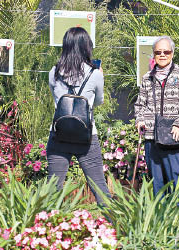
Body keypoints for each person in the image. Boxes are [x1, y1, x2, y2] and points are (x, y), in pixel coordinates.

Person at [46, 27, 110, 204]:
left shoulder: (54, 73)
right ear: (85, 47)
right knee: (99, 188)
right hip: (87, 137)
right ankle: (115, 228)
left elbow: (58, 102)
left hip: (59, 135)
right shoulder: (95, 74)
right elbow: (97, 102)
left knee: (51, 190)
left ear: (65, 46)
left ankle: (45, 230)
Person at [134, 36, 179, 205]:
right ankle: (160, 219)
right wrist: (140, 120)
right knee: (157, 182)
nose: (162, 55)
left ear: (172, 53)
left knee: (178, 179)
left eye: (166, 51)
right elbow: (140, 104)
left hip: (174, 136)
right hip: (152, 137)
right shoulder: (147, 78)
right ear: (153, 54)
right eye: (158, 52)